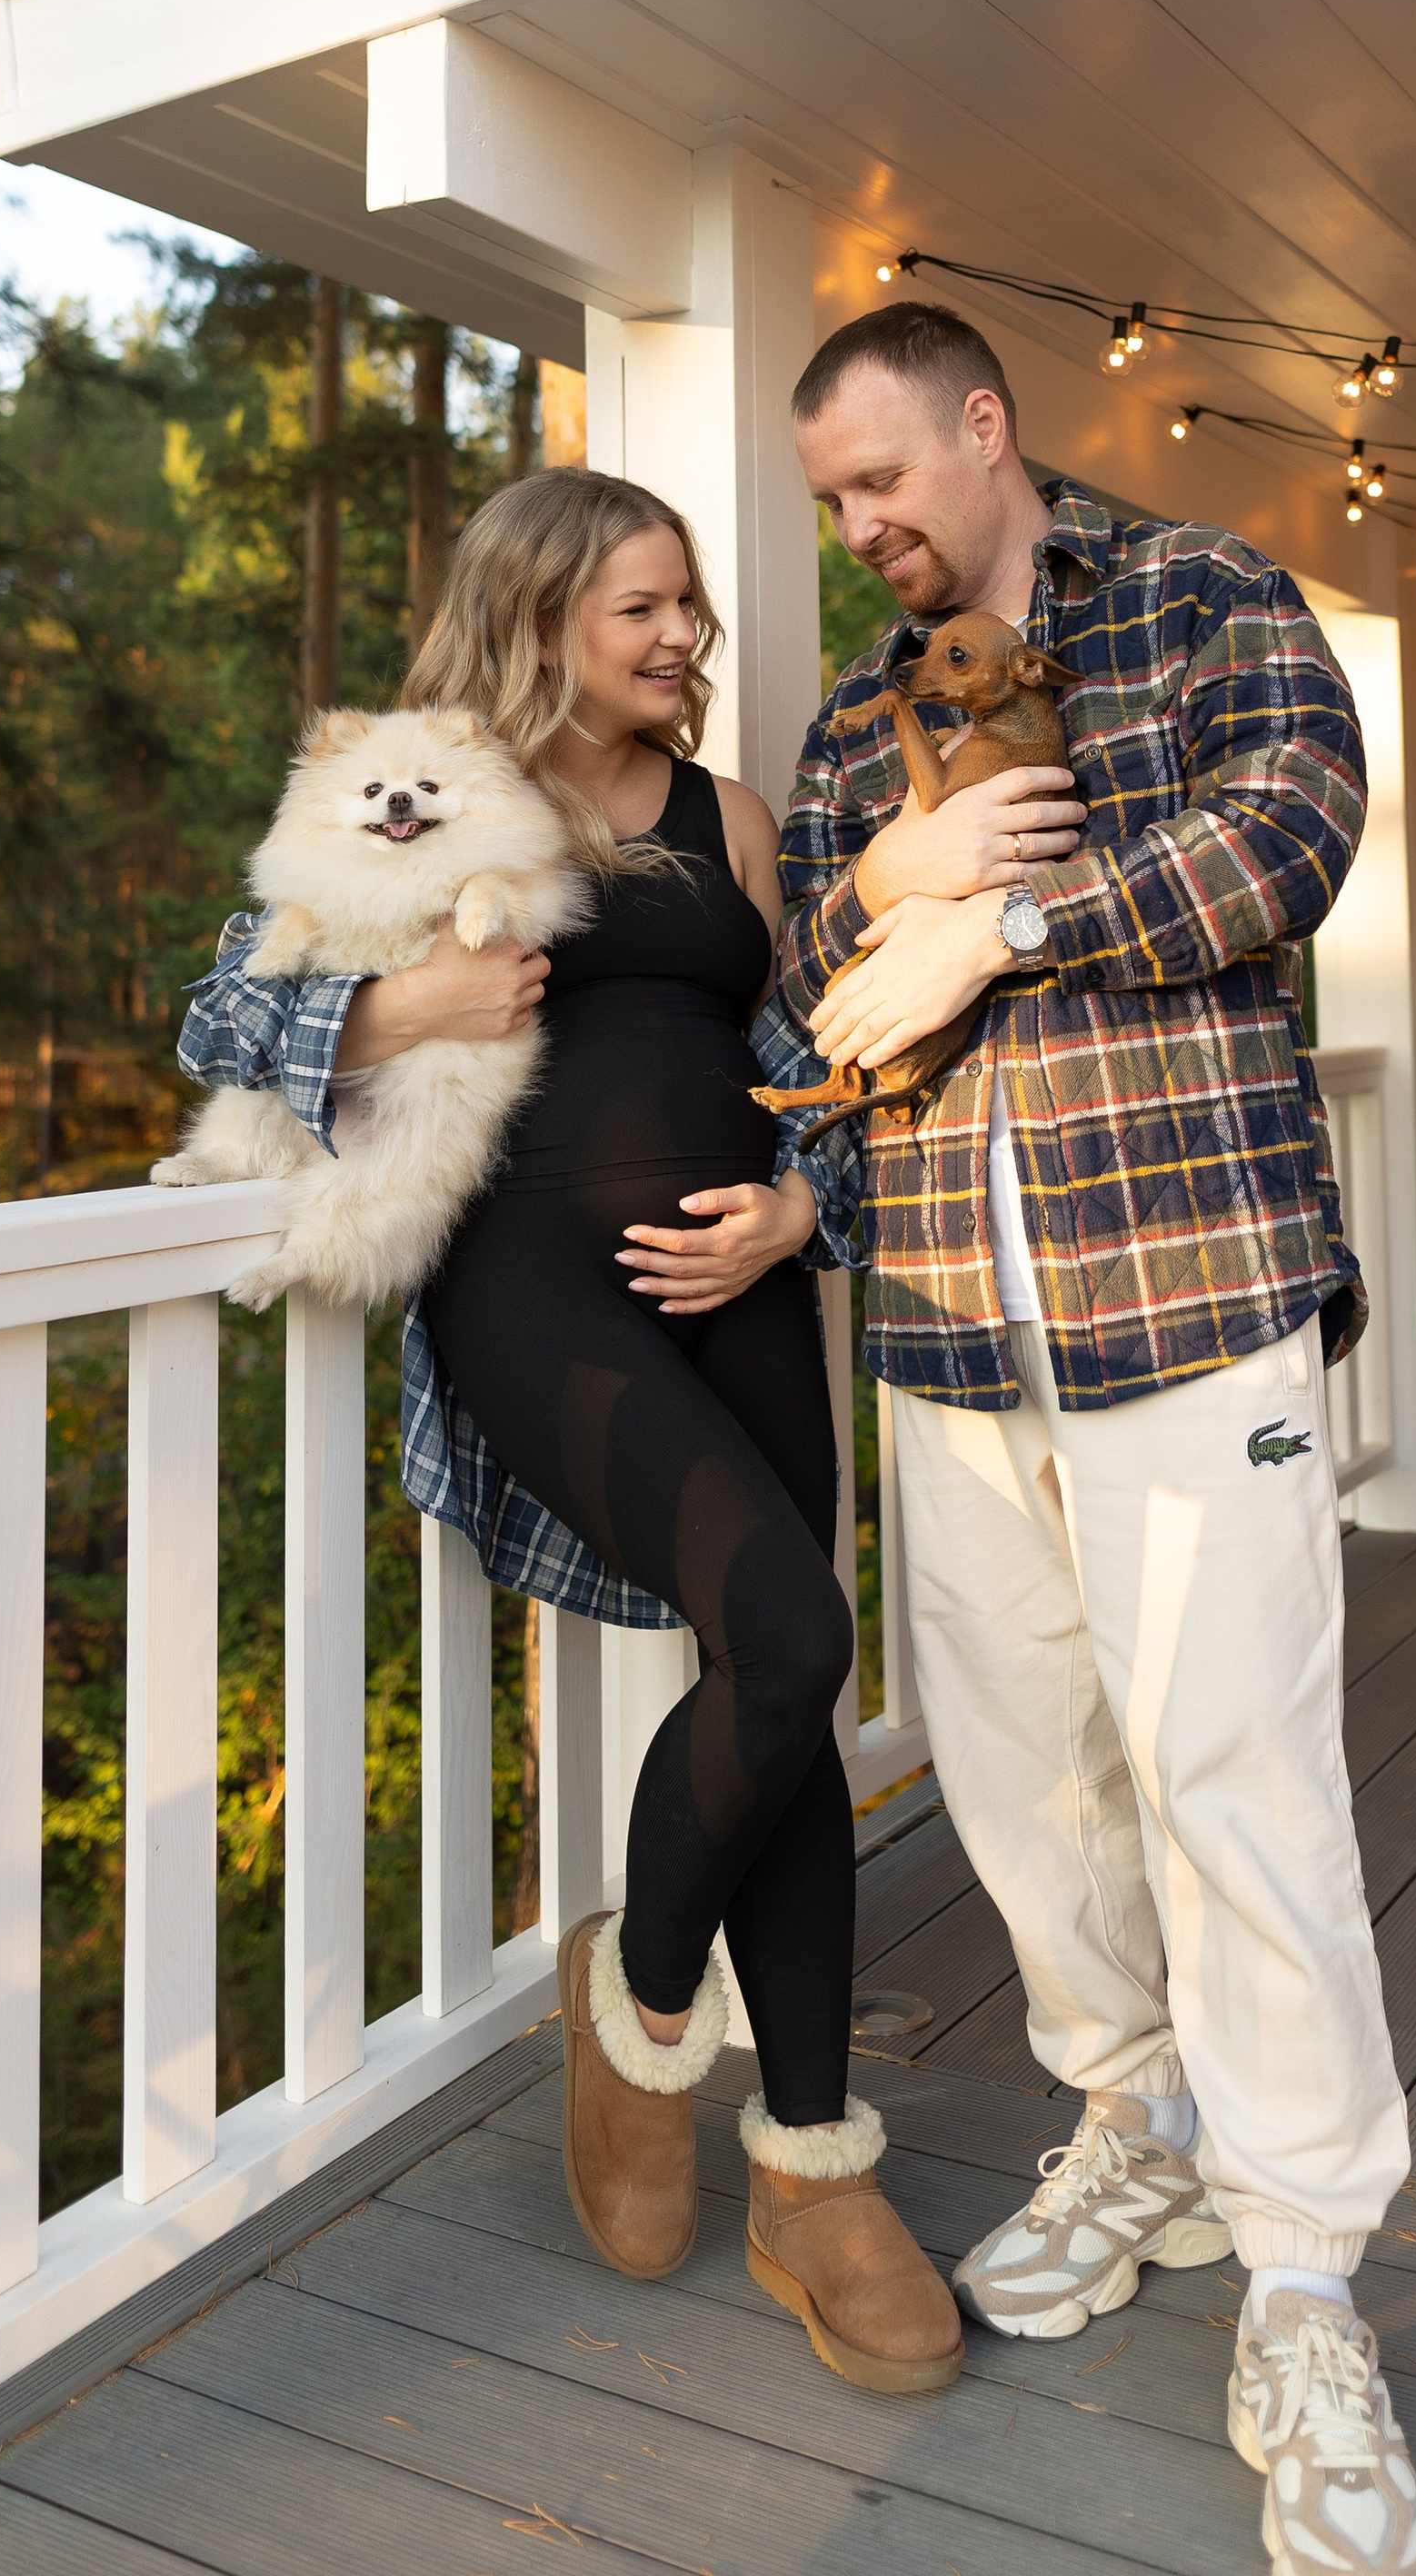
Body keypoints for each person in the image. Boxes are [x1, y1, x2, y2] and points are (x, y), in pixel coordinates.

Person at [772, 303, 1416, 2575]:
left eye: (881, 482)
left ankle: (1303, 2277)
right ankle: (1128, 2124)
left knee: (1233, 1780)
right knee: (1028, 1783)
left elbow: (1287, 841)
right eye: (828, 507)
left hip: (1184, 1302)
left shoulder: (1202, 600)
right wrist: (874, 901)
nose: (860, 532)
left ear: (984, 429)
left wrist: (1009, 932)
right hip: (953, 1341)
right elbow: (806, 982)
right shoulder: (856, 719)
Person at [177, 467, 960, 2400]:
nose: (684, 637)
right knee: (791, 1641)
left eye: (686, 604)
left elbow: (828, 1067)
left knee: (780, 1684)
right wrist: (401, 1007)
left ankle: (806, 2166)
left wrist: (804, 1212)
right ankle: (643, 2012)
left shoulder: (735, 823)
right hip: (532, 1289)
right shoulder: (429, 788)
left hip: (746, 1275)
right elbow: (214, 1015)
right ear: (539, 616)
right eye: (642, 609)